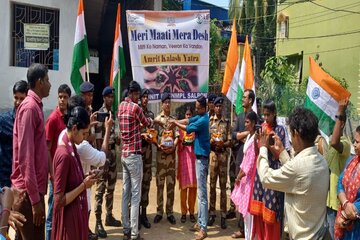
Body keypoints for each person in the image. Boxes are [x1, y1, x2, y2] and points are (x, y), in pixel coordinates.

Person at [257, 107, 329, 239]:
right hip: (320, 233)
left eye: (290, 133)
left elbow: (266, 178)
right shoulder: (322, 161)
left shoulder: (297, 167)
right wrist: (282, 153)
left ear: (296, 133)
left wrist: (262, 148)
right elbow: (298, 175)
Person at [11, 63, 51, 240]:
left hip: (30, 193)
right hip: (27, 195)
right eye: (48, 80)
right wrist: (35, 201)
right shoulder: (29, 108)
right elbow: (25, 158)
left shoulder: (35, 106)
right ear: (40, 82)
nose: (50, 84)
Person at [118, 81, 161, 240]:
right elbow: (147, 122)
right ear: (134, 94)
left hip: (124, 154)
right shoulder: (135, 108)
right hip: (135, 156)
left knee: (125, 194)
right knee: (136, 195)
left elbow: (130, 128)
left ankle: (126, 229)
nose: (139, 97)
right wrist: (153, 122)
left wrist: (138, 133)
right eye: (138, 95)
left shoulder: (120, 106)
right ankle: (135, 234)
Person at [52, 106, 97, 240]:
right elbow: (58, 200)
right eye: (84, 133)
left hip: (75, 215)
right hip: (68, 223)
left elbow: (70, 182)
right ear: (74, 129)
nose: (84, 138)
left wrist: (85, 177)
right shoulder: (64, 154)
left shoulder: (71, 146)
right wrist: (84, 185)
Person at [170, 95, 210, 240]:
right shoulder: (200, 116)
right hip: (199, 159)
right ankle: (200, 222)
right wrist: (174, 121)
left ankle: (203, 228)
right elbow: (187, 120)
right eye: (196, 108)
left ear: (204, 108)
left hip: (201, 159)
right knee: (200, 193)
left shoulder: (203, 120)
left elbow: (187, 127)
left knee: (202, 195)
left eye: (199, 108)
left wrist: (175, 123)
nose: (196, 110)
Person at [249, 100, 287, 240]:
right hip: (261, 172)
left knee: (271, 207)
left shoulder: (280, 130)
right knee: (259, 209)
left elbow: (279, 155)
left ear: (274, 114)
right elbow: (256, 152)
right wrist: (256, 140)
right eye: (264, 115)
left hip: (273, 172)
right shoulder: (262, 127)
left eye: (268, 115)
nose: (265, 118)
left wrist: (266, 143)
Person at [45, 84, 71, 240]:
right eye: (60, 96)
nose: (62, 100)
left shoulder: (67, 118)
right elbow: (47, 149)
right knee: (52, 212)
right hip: (56, 173)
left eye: (65, 97)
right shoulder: (53, 119)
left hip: (65, 170)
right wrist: (52, 173)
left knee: (63, 210)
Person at [94, 86, 121, 238]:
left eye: (112, 97)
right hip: (102, 155)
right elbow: (98, 139)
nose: (111, 99)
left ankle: (109, 216)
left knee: (111, 187)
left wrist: (118, 138)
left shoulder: (114, 114)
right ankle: (98, 221)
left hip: (113, 153)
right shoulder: (100, 114)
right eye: (108, 97)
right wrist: (101, 158)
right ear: (104, 98)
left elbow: (117, 135)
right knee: (100, 189)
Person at [228, 89, 255, 237]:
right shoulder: (239, 117)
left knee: (248, 195)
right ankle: (241, 226)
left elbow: (256, 136)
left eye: (244, 97)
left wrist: (244, 137)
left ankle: (247, 229)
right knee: (239, 193)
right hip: (238, 159)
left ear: (250, 100)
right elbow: (233, 135)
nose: (242, 99)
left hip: (250, 166)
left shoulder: (255, 117)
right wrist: (245, 134)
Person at [325, 99, 351, 239]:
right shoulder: (330, 143)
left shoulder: (345, 144)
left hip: (335, 203)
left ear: (342, 123)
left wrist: (340, 111)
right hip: (325, 200)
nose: (333, 122)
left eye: (336, 120)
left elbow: (335, 141)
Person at [231, 111, 258, 240]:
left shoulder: (255, 140)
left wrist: (239, 176)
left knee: (249, 215)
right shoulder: (248, 137)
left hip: (249, 179)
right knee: (245, 215)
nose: (245, 124)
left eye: (247, 122)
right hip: (244, 178)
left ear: (253, 124)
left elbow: (250, 164)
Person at [153, 92, 179, 225]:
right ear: (162, 104)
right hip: (161, 158)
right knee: (159, 185)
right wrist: (159, 146)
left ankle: (169, 212)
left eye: (169, 102)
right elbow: (153, 136)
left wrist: (173, 146)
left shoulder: (174, 119)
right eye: (165, 102)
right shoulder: (157, 120)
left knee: (170, 185)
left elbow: (178, 136)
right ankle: (159, 211)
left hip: (171, 159)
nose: (168, 104)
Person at [208, 97, 231, 229]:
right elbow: (206, 138)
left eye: (220, 106)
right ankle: (212, 213)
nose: (218, 108)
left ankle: (223, 214)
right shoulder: (210, 122)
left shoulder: (226, 122)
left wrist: (223, 143)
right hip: (213, 157)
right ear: (214, 107)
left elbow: (230, 141)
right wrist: (212, 142)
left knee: (222, 187)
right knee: (211, 185)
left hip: (222, 156)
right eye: (216, 106)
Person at [0, 80, 28, 188]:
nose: (18, 102)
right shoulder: (4, 121)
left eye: (22, 99)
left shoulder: (29, 123)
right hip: (4, 178)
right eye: (16, 98)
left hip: (21, 179)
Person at [335, 125, 360, 240]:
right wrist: (345, 203)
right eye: (354, 141)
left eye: (358, 142)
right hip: (346, 225)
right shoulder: (352, 161)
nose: (354, 145)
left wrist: (345, 215)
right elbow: (340, 182)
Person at [177, 107, 197, 224]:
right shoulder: (180, 130)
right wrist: (182, 142)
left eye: (190, 115)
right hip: (184, 162)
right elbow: (178, 144)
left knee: (193, 189)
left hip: (193, 162)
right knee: (184, 189)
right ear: (184, 116)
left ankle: (192, 212)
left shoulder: (195, 129)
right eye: (187, 115)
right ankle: (183, 213)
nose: (188, 117)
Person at [139, 89, 155, 229]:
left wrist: (151, 137)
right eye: (143, 97)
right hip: (138, 152)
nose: (145, 99)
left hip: (148, 153)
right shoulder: (136, 113)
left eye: (146, 97)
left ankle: (144, 213)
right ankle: (136, 215)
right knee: (137, 183)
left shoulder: (150, 114)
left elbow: (153, 131)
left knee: (146, 182)